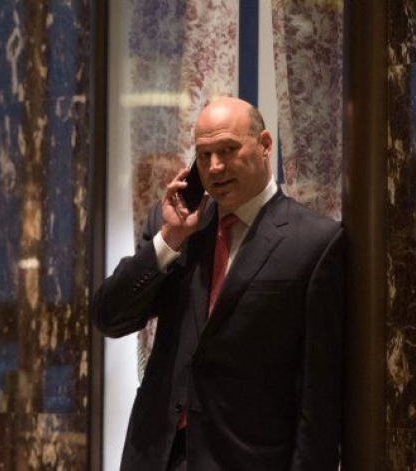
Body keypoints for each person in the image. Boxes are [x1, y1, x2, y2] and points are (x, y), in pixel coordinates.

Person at [92, 97, 344, 470]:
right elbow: (109, 317)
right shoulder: (179, 227)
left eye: (228, 150)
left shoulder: (314, 242)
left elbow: (319, 396)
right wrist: (169, 240)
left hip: (245, 459)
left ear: (264, 144)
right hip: (156, 456)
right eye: (204, 155)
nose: (215, 167)